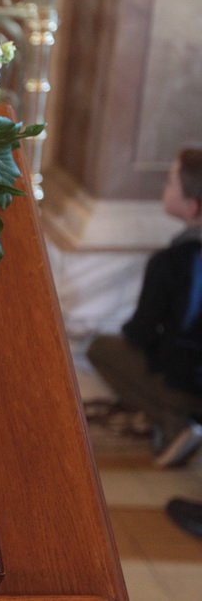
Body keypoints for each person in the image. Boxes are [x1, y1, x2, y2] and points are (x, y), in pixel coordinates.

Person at [88, 148, 202, 467]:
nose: (163, 188)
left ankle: (174, 420)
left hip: (188, 384)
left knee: (100, 348)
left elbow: (141, 333)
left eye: (170, 182)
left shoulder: (169, 262)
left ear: (192, 206)